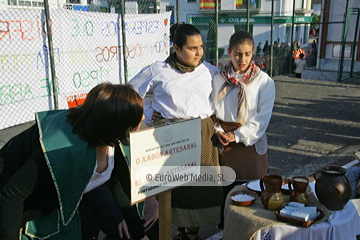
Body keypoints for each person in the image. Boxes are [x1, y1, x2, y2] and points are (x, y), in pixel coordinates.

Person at [0, 83, 156, 240]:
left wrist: (139, 234)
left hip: (62, 206)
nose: (143, 117)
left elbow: (118, 186)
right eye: (138, 114)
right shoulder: (62, 149)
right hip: (25, 207)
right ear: (118, 122)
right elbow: (11, 197)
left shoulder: (111, 137)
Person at [129, 23, 222, 240]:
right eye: (192, 48)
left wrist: (219, 128)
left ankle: (191, 233)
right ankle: (175, 231)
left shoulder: (210, 71)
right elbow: (131, 90)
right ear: (176, 48)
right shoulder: (159, 70)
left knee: (200, 186)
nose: (198, 52)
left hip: (202, 133)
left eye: (200, 47)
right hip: (172, 134)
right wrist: (151, 111)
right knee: (174, 187)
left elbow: (222, 102)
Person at [211, 31, 275, 227]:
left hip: (250, 142)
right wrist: (217, 129)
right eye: (237, 54)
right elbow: (211, 109)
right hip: (224, 143)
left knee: (251, 193)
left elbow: (262, 119)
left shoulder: (264, 81)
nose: (242, 59)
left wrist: (238, 135)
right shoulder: (218, 79)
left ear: (253, 52)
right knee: (226, 193)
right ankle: (227, 230)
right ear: (229, 52)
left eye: (247, 54)